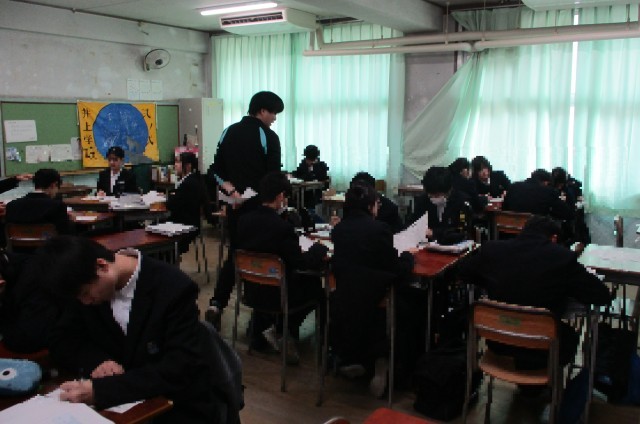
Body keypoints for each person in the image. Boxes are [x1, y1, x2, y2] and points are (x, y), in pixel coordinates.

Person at [36, 236, 239, 423]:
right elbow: (61, 338)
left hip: (173, 404)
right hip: (124, 403)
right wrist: (97, 360)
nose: (86, 302)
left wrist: (101, 391)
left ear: (102, 266)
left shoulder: (173, 288)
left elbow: (178, 368)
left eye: (86, 294)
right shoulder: (85, 284)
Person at [458, 216, 611, 370]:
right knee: (569, 336)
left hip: (498, 341)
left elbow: (463, 272)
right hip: (545, 349)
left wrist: (492, 280)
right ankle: (549, 381)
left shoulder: (493, 249)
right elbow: (602, 296)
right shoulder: (562, 258)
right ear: (554, 239)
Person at [206, 91, 284, 329]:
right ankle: (260, 319)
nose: (275, 118)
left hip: (235, 207)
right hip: (261, 210)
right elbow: (273, 179)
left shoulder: (228, 131)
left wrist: (230, 190)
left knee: (237, 253)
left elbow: (214, 170)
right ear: (262, 110)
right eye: (273, 113)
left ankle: (217, 304)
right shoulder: (268, 136)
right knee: (264, 257)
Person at [330, 183, 416, 397]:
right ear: (370, 206)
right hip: (378, 295)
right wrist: (408, 256)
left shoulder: (339, 230)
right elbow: (395, 269)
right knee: (412, 302)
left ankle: (355, 358)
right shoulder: (380, 229)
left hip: (345, 295)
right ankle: (391, 362)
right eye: (377, 204)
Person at [236, 171, 327, 363]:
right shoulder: (282, 228)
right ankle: (287, 332)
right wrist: (317, 250)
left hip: (251, 291)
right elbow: (301, 263)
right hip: (279, 296)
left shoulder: (243, 221)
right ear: (280, 197)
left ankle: (272, 331)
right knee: (317, 289)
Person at [412, 166, 471, 245]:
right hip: (426, 245)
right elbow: (412, 223)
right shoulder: (423, 200)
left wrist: (435, 233)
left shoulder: (462, 201)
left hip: (453, 245)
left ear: (449, 190)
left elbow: (461, 230)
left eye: (437, 195)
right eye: (430, 195)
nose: (433, 198)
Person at [6, 168, 70, 236]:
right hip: (48, 242)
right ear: (54, 185)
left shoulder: (11, 205)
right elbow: (65, 234)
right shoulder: (58, 206)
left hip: (17, 242)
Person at [166, 152, 206, 253]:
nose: (175, 165)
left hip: (185, 224)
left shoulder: (189, 183)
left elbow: (172, 205)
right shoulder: (191, 179)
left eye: (178, 162)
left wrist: (170, 198)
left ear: (188, 166)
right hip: (186, 221)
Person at [503, 169, 573, 221]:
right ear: (546, 182)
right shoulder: (548, 191)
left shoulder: (514, 186)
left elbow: (504, 208)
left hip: (510, 228)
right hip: (535, 230)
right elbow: (567, 213)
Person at [292, 145, 330, 214]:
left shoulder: (321, 165)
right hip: (303, 193)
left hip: (316, 194)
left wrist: (311, 169)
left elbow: (322, 178)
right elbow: (298, 174)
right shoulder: (303, 163)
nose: (307, 160)